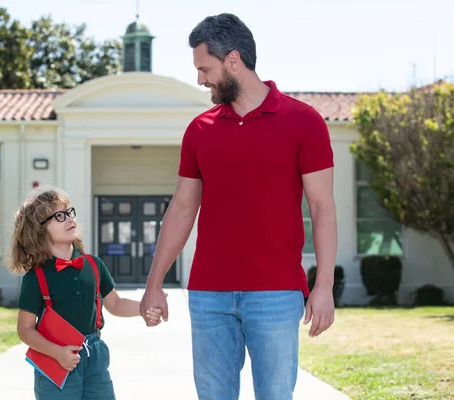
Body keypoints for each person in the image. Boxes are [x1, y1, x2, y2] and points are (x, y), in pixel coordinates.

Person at [139, 12, 338, 400]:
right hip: (208, 294)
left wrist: (324, 287)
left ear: (233, 60)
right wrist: (154, 284)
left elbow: (323, 208)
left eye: (204, 68)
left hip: (276, 294)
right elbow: (181, 210)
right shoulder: (200, 129)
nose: (200, 80)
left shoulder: (304, 121)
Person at [7, 186, 163, 400]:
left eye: (69, 212)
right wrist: (57, 353)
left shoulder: (94, 264)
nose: (69, 218)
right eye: (58, 216)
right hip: (55, 360)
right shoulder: (36, 277)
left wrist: (145, 308)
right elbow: (25, 329)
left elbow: (115, 304)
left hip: (95, 356)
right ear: (39, 230)